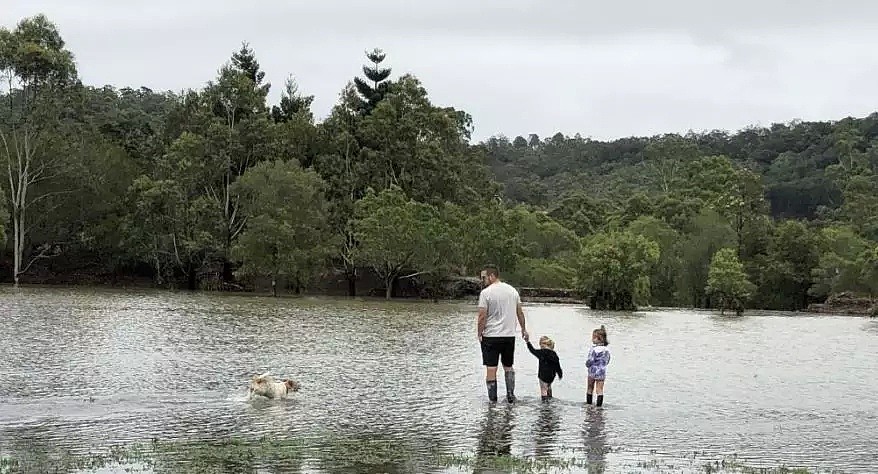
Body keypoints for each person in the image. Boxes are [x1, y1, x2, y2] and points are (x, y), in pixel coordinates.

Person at [477, 264, 528, 403]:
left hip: (491, 336)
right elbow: (520, 312)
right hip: (509, 336)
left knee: (491, 369)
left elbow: (482, 316)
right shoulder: (512, 291)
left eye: (484, 277)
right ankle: (510, 396)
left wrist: (479, 333)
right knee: (508, 366)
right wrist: (523, 329)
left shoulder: (485, 293)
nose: (482, 280)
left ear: (492, 276)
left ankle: (492, 402)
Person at [525, 335, 563, 401]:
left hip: (543, 375)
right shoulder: (554, 354)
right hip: (551, 375)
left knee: (543, 389)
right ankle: (550, 398)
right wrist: (560, 374)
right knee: (548, 386)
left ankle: (545, 404)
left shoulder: (541, 352)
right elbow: (557, 366)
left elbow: (532, 350)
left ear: (542, 344)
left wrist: (527, 342)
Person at [585, 325, 611, 406]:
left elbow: (590, 360)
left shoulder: (593, 349)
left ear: (598, 338)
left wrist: (587, 365)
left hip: (592, 371)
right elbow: (607, 360)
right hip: (602, 371)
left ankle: (589, 405)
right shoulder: (606, 350)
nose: (592, 339)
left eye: (593, 337)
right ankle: (599, 406)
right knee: (600, 390)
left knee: (590, 388)